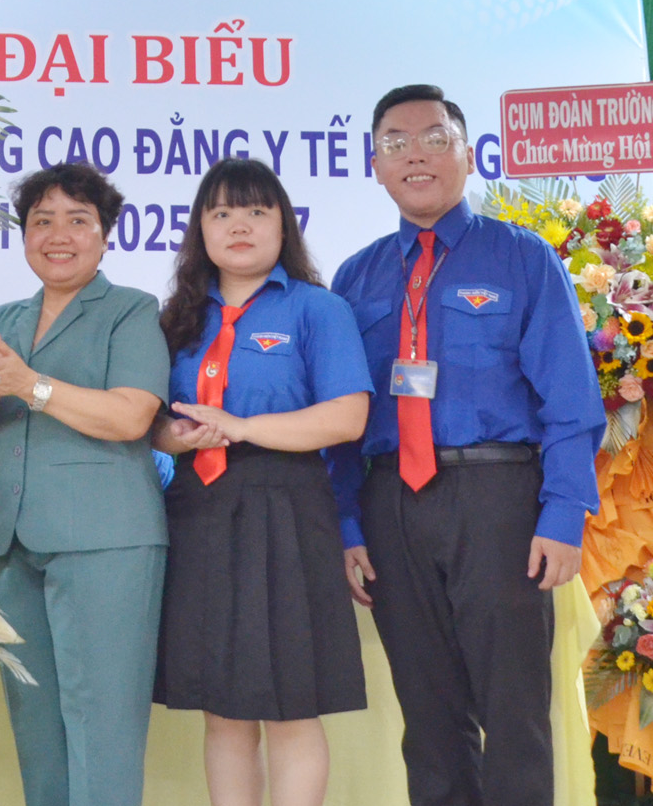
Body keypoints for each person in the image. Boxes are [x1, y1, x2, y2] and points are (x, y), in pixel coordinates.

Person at [328, 84, 604, 805]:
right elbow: (341, 417)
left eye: (434, 138)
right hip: (390, 502)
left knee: (514, 711)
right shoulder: (355, 277)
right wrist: (348, 524)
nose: (415, 155)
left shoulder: (522, 258)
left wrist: (563, 514)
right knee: (428, 717)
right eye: (395, 143)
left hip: (498, 499)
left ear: (469, 153)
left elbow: (571, 399)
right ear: (375, 165)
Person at [0, 162, 169, 806]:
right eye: (42, 221)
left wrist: (28, 385)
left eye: (77, 220)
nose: (58, 235)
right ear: (24, 236)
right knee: (35, 729)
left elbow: (130, 417)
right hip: (13, 543)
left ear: (105, 235)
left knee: (103, 728)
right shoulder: (2, 318)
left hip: (106, 544)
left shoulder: (131, 310)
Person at [151, 157, 371, 806]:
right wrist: (178, 436)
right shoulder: (177, 318)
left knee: (290, 705)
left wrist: (242, 427)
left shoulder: (317, 309)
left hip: (286, 509)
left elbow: (348, 417)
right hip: (197, 509)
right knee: (222, 708)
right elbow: (153, 423)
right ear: (200, 229)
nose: (238, 226)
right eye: (221, 213)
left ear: (284, 226)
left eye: (255, 211)